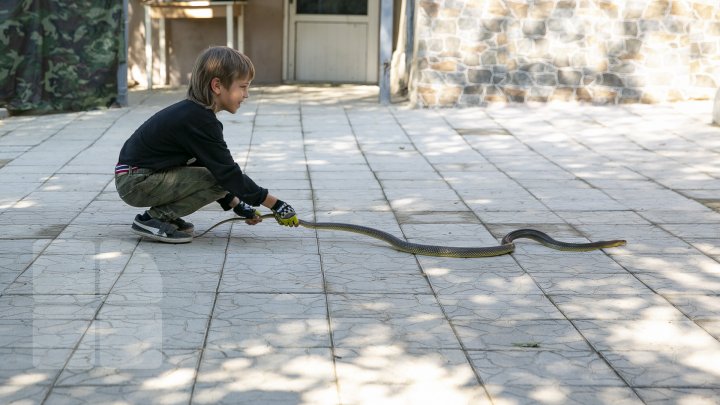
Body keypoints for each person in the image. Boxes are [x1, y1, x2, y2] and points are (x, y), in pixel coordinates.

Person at [115, 46, 298, 243]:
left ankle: (162, 216)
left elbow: (206, 165)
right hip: (137, 181)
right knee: (220, 179)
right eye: (243, 87)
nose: (246, 95)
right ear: (217, 86)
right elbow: (227, 174)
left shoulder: (195, 115)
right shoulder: (199, 120)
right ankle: (154, 219)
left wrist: (238, 205)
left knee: (215, 176)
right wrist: (276, 204)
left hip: (136, 177)